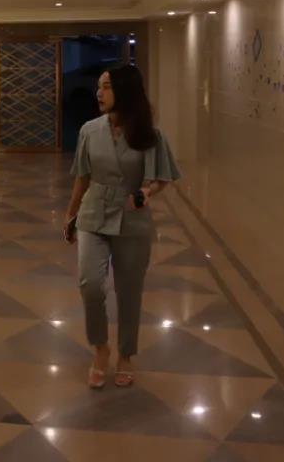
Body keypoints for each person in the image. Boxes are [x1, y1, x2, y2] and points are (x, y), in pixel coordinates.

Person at [63, 65, 180, 389]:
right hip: (94, 212)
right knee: (90, 284)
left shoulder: (149, 135)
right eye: (99, 86)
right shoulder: (89, 130)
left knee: (129, 291)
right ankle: (100, 348)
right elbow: (82, 177)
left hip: (132, 218)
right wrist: (71, 214)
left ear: (125, 91)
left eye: (107, 87)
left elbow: (162, 178)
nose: (99, 93)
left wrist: (147, 191)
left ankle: (126, 354)